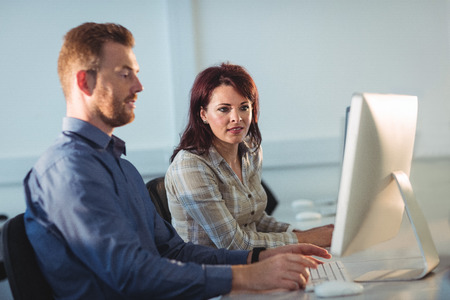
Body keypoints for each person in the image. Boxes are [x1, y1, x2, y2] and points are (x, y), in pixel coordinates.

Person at [23, 22, 332, 299]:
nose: (139, 86)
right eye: (124, 73)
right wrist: (247, 275)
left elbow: (173, 250)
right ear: (84, 82)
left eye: (137, 74)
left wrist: (257, 258)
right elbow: (131, 275)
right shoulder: (69, 171)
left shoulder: (121, 166)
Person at [165, 63, 334, 250]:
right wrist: (307, 239)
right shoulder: (191, 166)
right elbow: (233, 244)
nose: (236, 118)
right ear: (203, 114)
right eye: (224, 109)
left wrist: (300, 233)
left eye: (244, 107)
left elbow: (255, 218)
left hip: (251, 263)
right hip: (210, 272)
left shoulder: (250, 149)